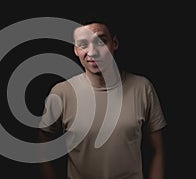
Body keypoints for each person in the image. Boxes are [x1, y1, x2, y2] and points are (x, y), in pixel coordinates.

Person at [38, 16, 167, 179]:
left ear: (115, 44)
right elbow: (43, 149)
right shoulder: (61, 93)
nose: (92, 52)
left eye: (100, 41)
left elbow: (158, 150)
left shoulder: (142, 88)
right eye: (83, 44)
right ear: (76, 50)